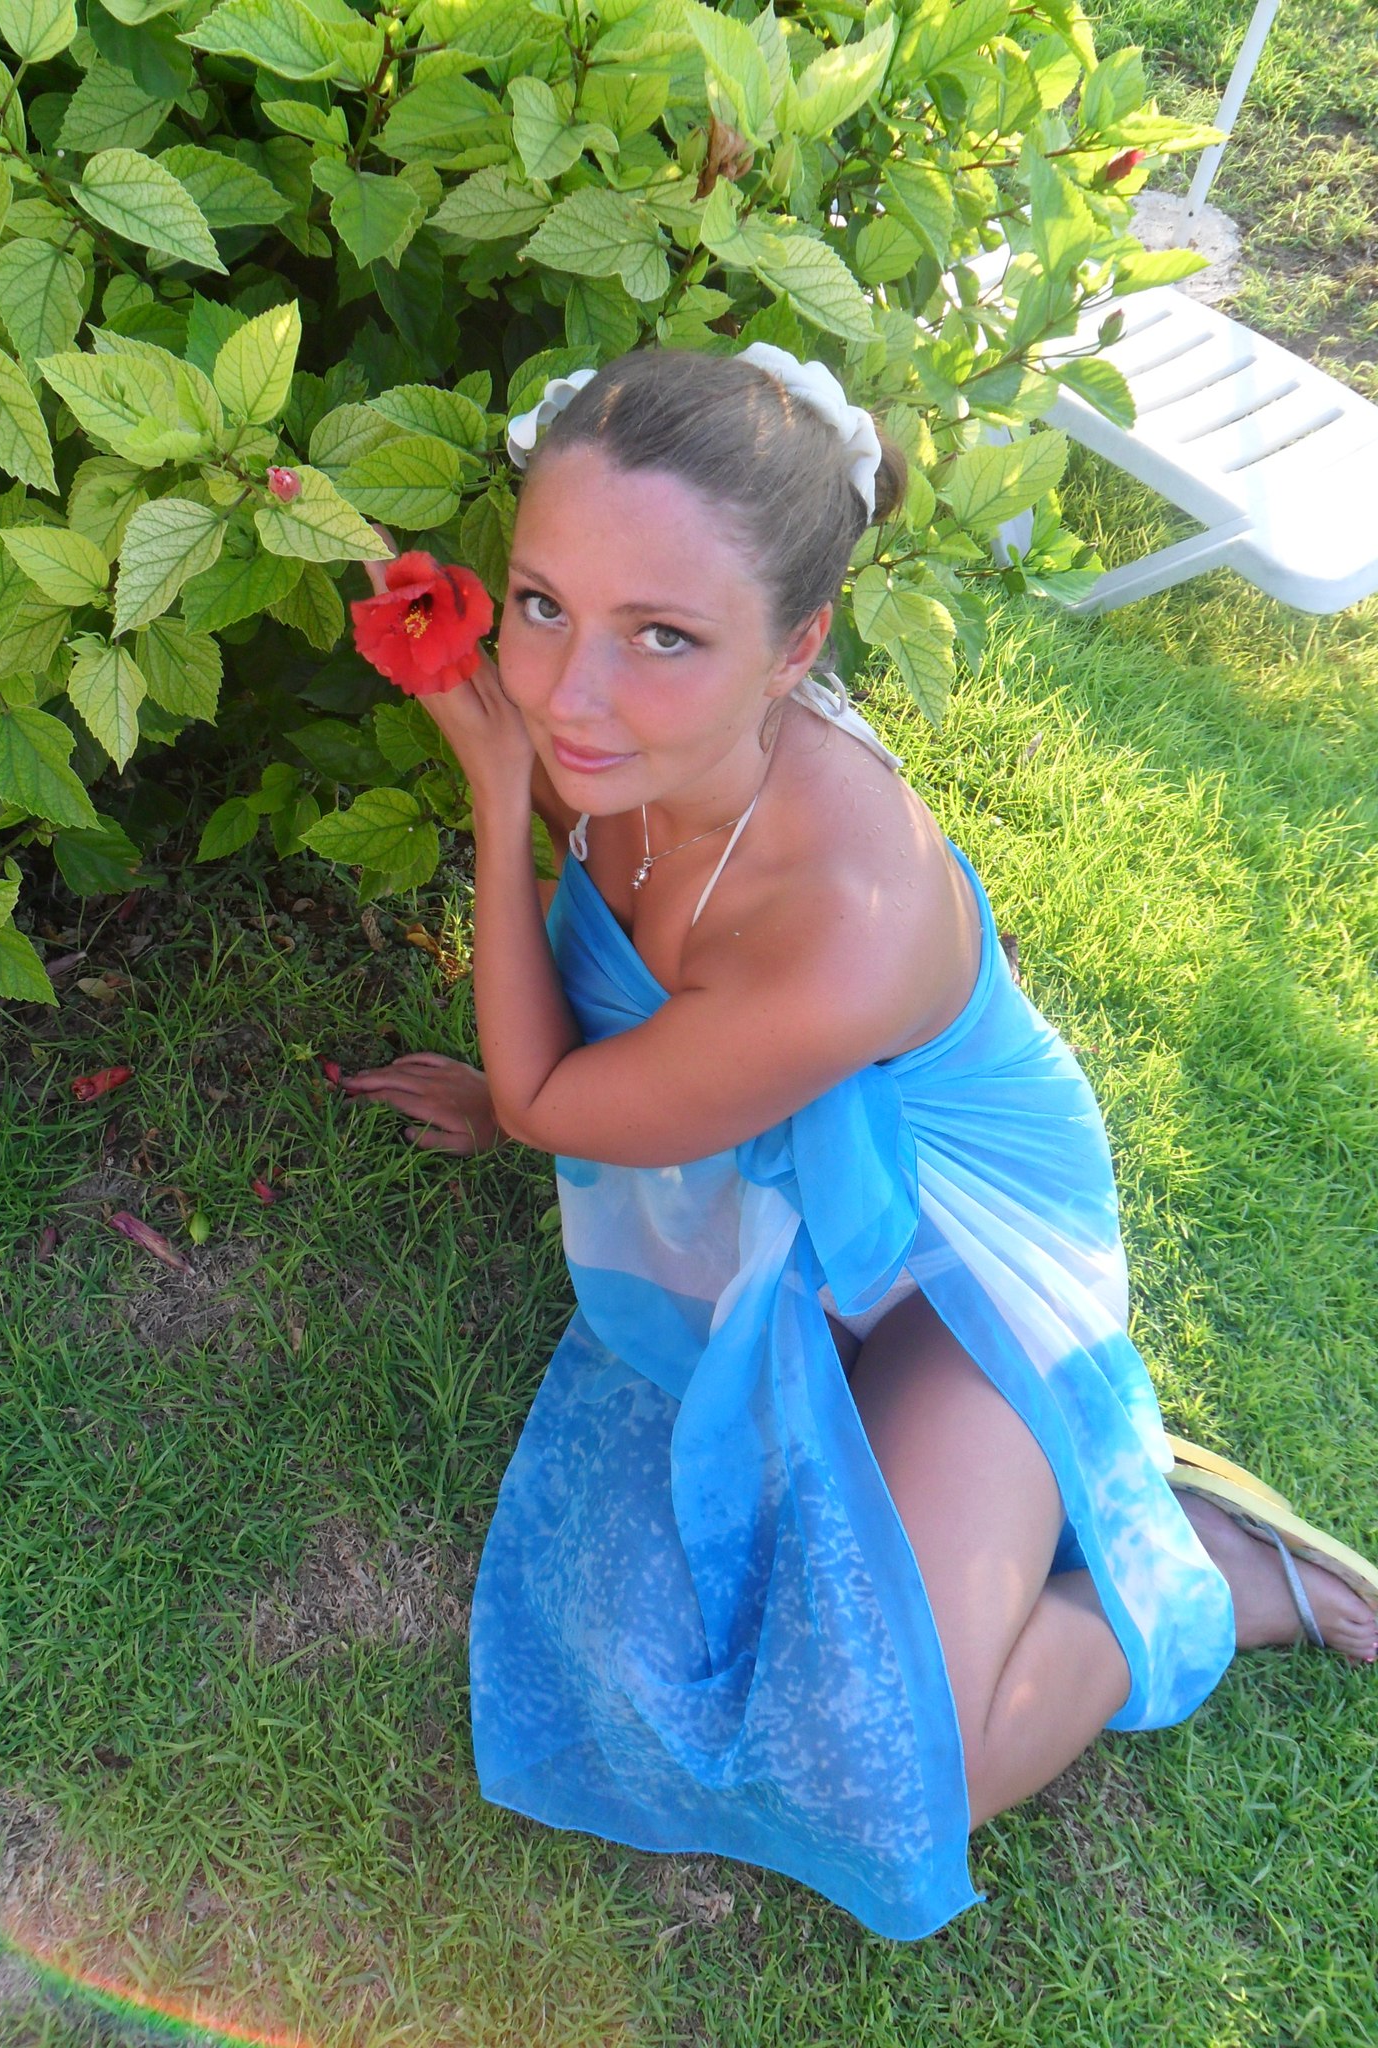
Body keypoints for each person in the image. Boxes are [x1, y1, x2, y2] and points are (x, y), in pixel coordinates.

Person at [342, 346, 1378, 1939]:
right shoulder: (631, 738)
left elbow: (558, 1099)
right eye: (542, 603)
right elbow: (603, 988)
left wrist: (492, 808)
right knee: (718, 1636)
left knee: (902, 1768)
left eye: (664, 634)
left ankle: (1222, 1580)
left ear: (798, 646)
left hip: (959, 1263)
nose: (561, 692)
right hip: (795, 1204)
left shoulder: (851, 913)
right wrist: (513, 1083)